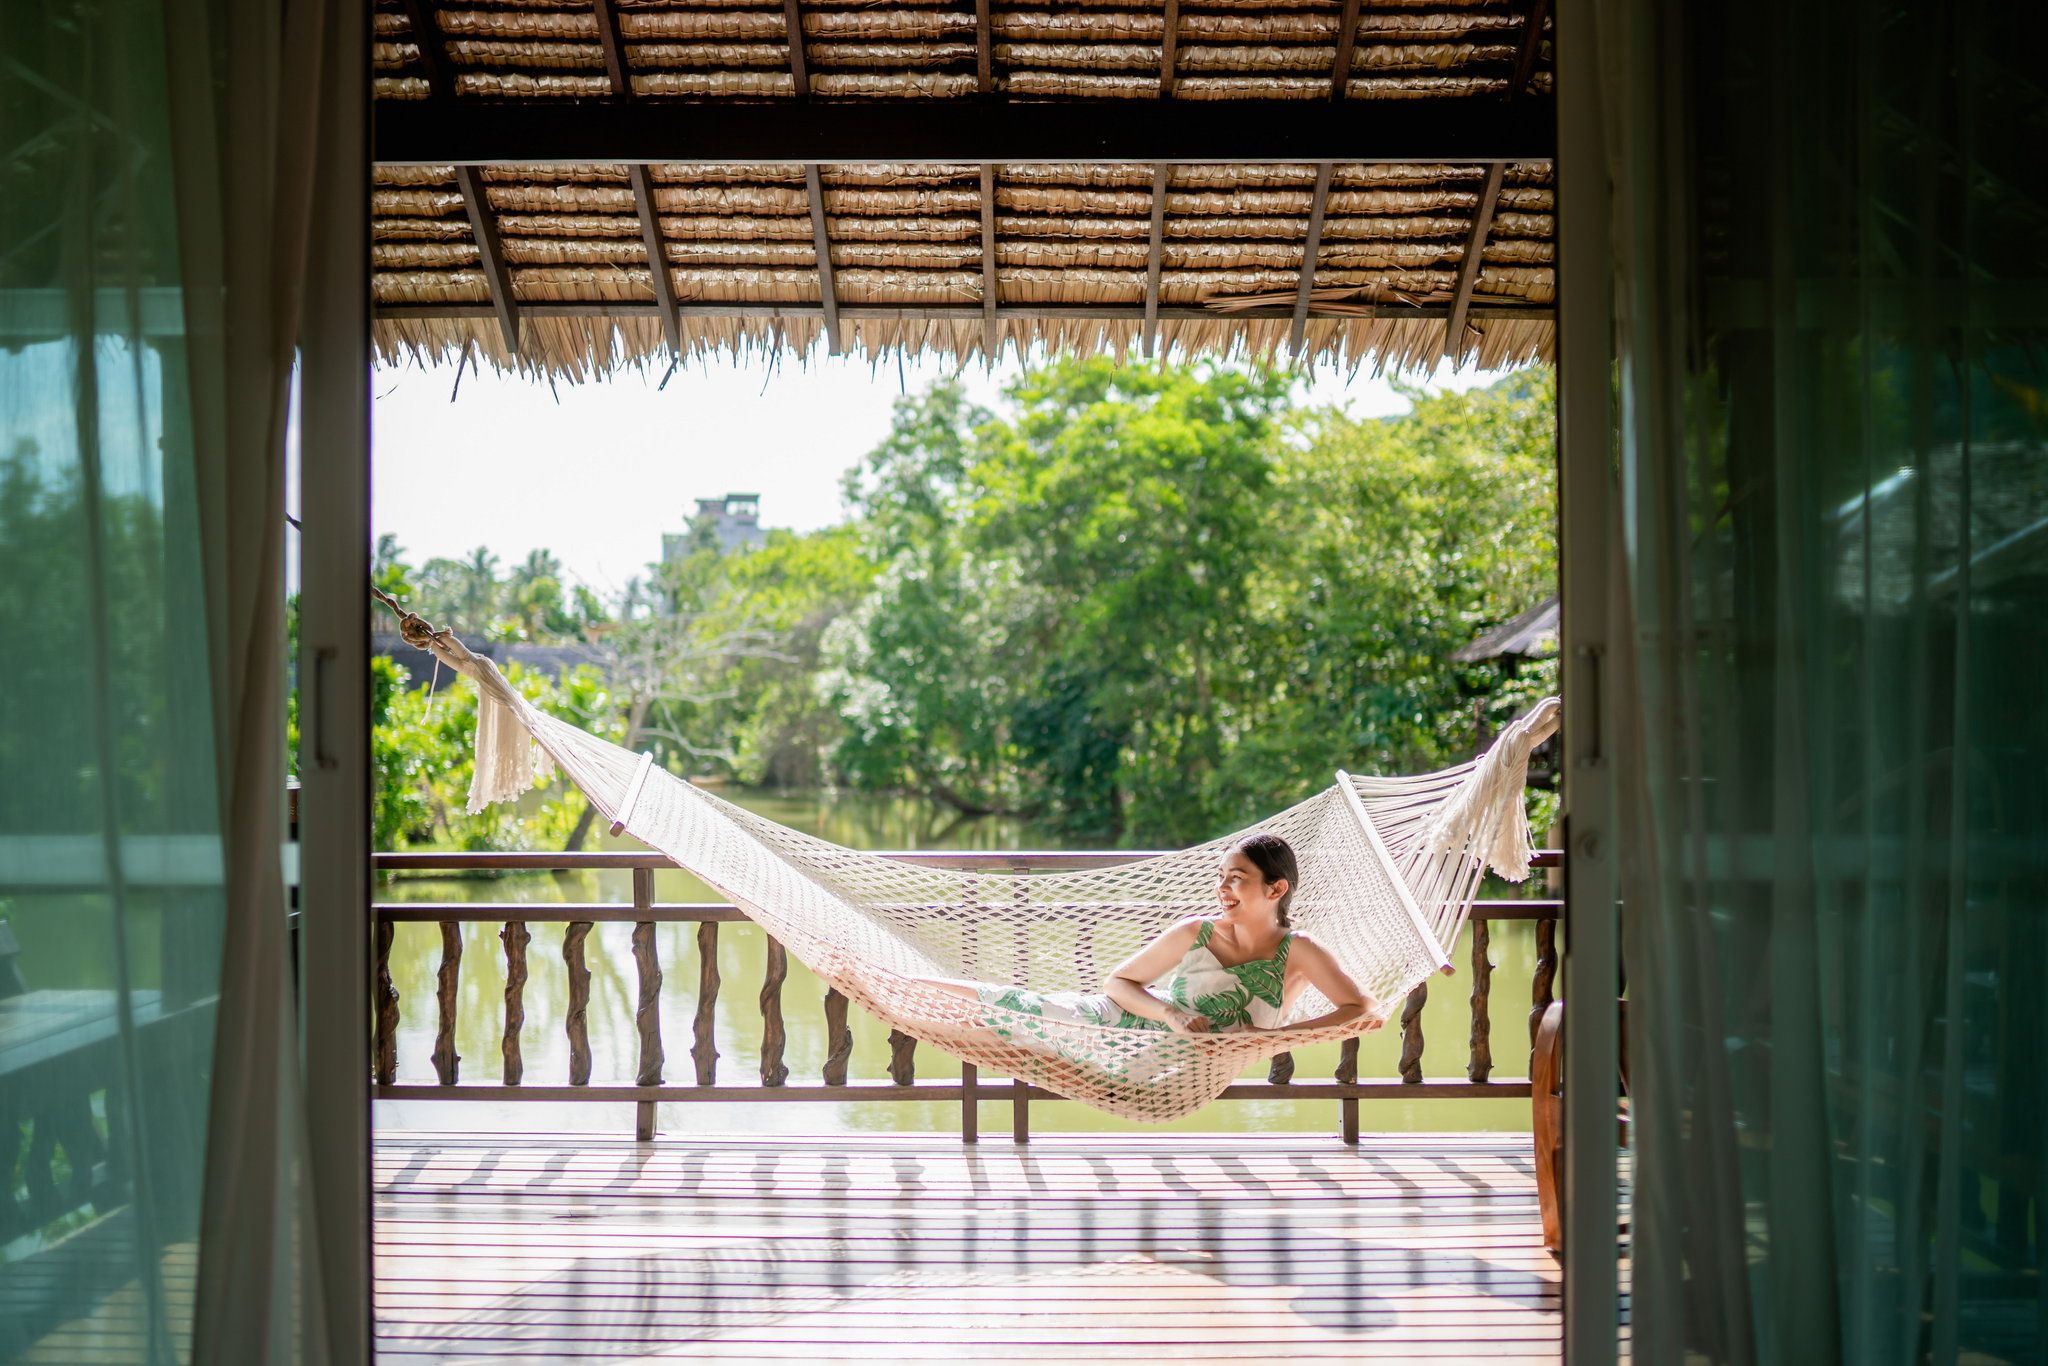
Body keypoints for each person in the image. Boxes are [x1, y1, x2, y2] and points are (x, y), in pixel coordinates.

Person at [921, 833, 1386, 1036]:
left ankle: (907, 992)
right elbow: (1117, 985)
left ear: (1276, 888)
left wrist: (1276, 1039)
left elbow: (1366, 1013)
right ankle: (900, 986)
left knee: (1001, 1023)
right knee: (1013, 1009)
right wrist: (1170, 1015)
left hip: (1158, 1062)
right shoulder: (1197, 933)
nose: (1221, 888)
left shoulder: (1299, 952)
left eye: (1236, 878)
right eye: (1221, 876)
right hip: (1115, 1027)